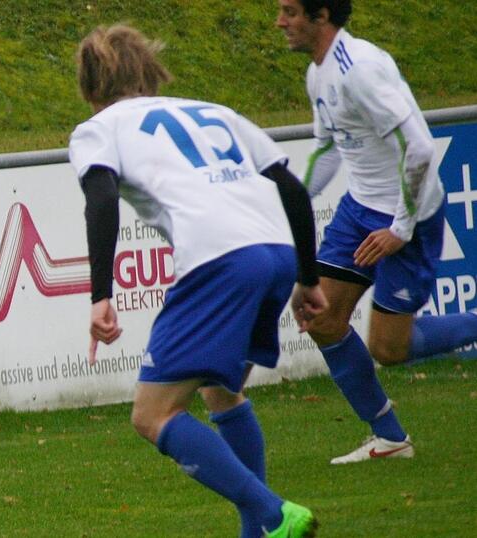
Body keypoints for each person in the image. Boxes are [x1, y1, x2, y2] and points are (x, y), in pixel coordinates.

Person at [71, 24, 326, 538]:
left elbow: (101, 198)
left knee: (153, 414)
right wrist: (308, 277)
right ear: (147, 72)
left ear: (90, 85)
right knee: (221, 394)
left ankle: (274, 515)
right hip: (275, 252)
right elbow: (293, 189)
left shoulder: (99, 128)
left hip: (218, 260)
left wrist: (101, 295)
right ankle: (259, 531)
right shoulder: (215, 111)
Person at [276, 0, 477, 464]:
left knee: (388, 348)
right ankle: (390, 438)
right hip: (359, 210)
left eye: (290, 12)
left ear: (321, 15)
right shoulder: (318, 72)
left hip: (410, 216)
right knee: (320, 318)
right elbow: (328, 149)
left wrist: (401, 228)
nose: (280, 22)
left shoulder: (360, 71)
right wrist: (292, 200)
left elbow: (420, 148)